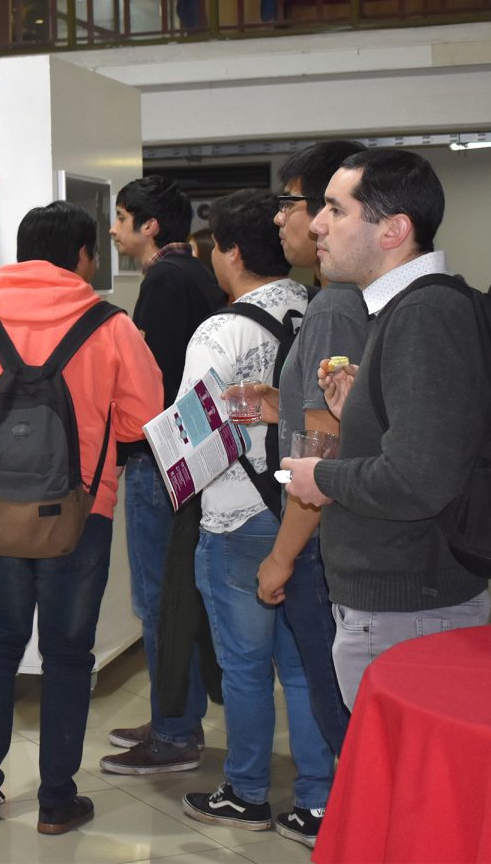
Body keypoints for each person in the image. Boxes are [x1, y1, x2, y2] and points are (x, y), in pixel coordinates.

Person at [0, 201, 162, 835]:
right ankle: (55, 800)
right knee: (68, 655)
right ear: (80, 256)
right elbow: (144, 415)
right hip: (82, 513)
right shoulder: (109, 324)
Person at [282, 148, 491, 713]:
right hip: (399, 601)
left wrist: (322, 477)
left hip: (407, 604)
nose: (316, 224)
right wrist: (360, 412)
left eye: (335, 209)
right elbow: (417, 443)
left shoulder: (422, 314)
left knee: (408, 783)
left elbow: (419, 479)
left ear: (394, 230)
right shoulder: (401, 309)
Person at [178, 191, 334, 846]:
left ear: (232, 252)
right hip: (308, 508)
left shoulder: (221, 328)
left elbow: (193, 433)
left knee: (245, 666)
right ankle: (317, 798)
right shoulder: (318, 309)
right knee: (302, 663)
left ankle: (244, 790)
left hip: (238, 516)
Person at [100, 176, 225, 775]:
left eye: (121, 217)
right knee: (173, 593)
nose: (113, 228)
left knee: (159, 599)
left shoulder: (166, 279)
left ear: (150, 226)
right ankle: (172, 714)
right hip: (188, 453)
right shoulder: (194, 272)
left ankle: (175, 731)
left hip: (161, 456)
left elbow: (149, 382)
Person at [255, 140, 367, 766]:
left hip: (322, 548)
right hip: (343, 545)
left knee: (337, 709)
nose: (284, 218)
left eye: (292, 203)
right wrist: (281, 401)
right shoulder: (351, 302)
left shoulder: (331, 307)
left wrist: (280, 558)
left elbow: (322, 457)